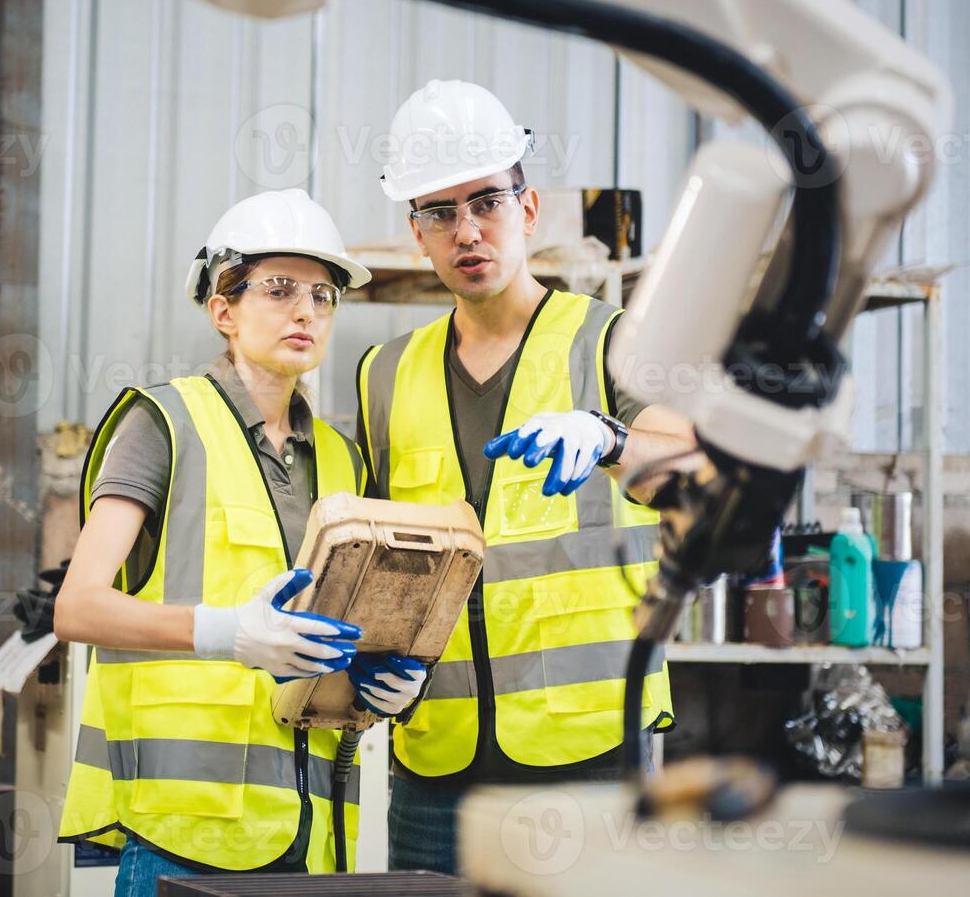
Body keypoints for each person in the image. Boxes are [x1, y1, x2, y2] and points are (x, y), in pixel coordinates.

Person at [354, 80, 701, 875]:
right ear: (416, 232)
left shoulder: (611, 341)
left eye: (487, 201)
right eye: (439, 212)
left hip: (587, 751)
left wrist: (610, 437)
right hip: (435, 757)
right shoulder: (384, 374)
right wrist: (369, 662)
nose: (467, 230)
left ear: (529, 208)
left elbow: (698, 472)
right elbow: (378, 559)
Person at [54, 189, 427, 894]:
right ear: (222, 310)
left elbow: (334, 630)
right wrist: (228, 634)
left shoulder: (343, 460)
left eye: (322, 296)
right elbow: (76, 608)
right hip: (183, 836)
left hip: (312, 838)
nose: (305, 311)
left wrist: (383, 687)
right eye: (279, 289)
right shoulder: (163, 423)